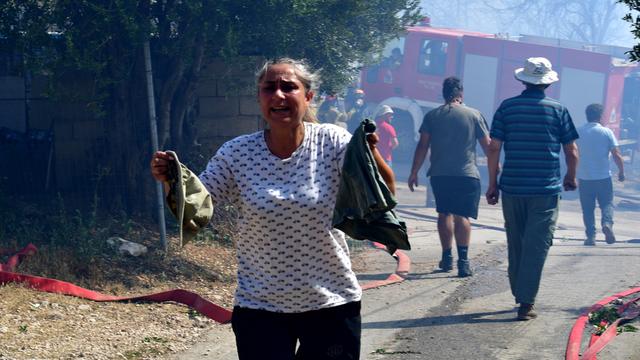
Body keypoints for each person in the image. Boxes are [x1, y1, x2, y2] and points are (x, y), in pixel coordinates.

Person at [151, 58, 395, 360]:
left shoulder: (333, 143)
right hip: (260, 307)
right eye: (269, 88)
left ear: (307, 97)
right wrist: (170, 179)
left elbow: (382, 196)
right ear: (259, 98)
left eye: (289, 87)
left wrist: (371, 156)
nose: (278, 95)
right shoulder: (236, 153)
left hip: (331, 304)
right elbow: (195, 210)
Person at [486, 57, 579, 321]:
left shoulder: (507, 108)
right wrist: (571, 177)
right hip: (545, 189)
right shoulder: (558, 110)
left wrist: (493, 183)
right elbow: (571, 149)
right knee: (536, 245)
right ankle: (526, 301)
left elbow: (494, 147)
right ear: (547, 82)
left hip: (513, 188)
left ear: (523, 80)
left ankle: (520, 291)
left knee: (516, 242)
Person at [407, 76, 490, 278]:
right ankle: (463, 262)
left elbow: (423, 145)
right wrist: (496, 172)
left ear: (444, 94)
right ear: (461, 93)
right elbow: (488, 146)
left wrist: (414, 171)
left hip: (440, 174)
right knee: (463, 216)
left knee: (444, 213)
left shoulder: (433, 116)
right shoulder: (474, 114)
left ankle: (447, 258)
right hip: (467, 175)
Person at [577, 103, 625, 246]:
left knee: (587, 208)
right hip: (603, 177)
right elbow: (616, 154)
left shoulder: (578, 131)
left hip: (584, 178)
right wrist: (621, 172)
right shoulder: (606, 132)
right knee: (607, 203)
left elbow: (571, 153)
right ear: (600, 116)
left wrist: (572, 172)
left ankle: (591, 237)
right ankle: (607, 224)